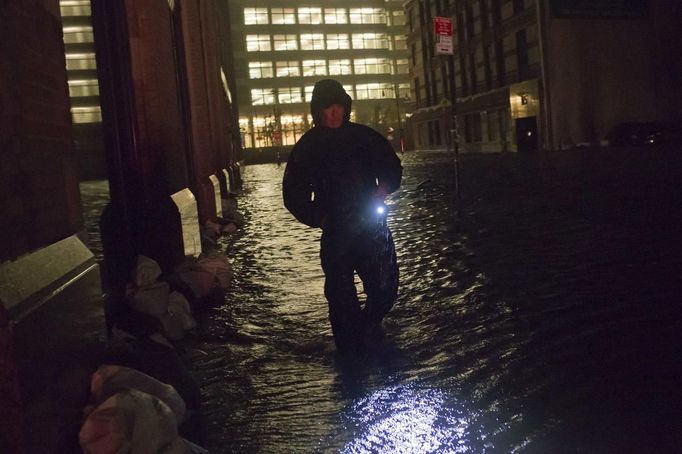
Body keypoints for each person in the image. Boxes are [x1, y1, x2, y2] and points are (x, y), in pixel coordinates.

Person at [282, 79, 402, 353]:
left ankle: (369, 326)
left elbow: (391, 168)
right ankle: (350, 353)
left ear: (345, 107)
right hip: (336, 231)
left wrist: (382, 190)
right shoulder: (308, 147)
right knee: (340, 296)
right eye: (328, 108)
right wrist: (319, 218)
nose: (334, 113)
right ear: (318, 111)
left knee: (384, 284)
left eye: (338, 107)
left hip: (371, 226)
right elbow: (293, 193)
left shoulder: (365, 137)